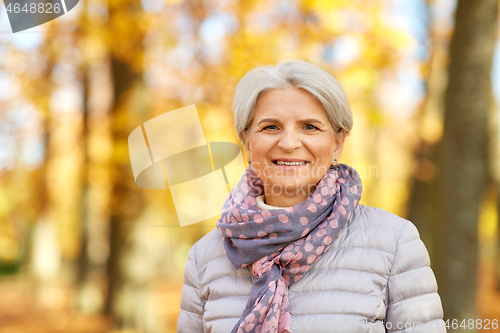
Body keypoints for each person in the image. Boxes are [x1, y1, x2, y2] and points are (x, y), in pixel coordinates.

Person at [177, 60, 446, 333]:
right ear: (246, 141)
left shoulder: (394, 243)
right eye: (270, 127)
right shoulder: (204, 258)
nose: (289, 143)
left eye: (310, 127)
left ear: (337, 144)